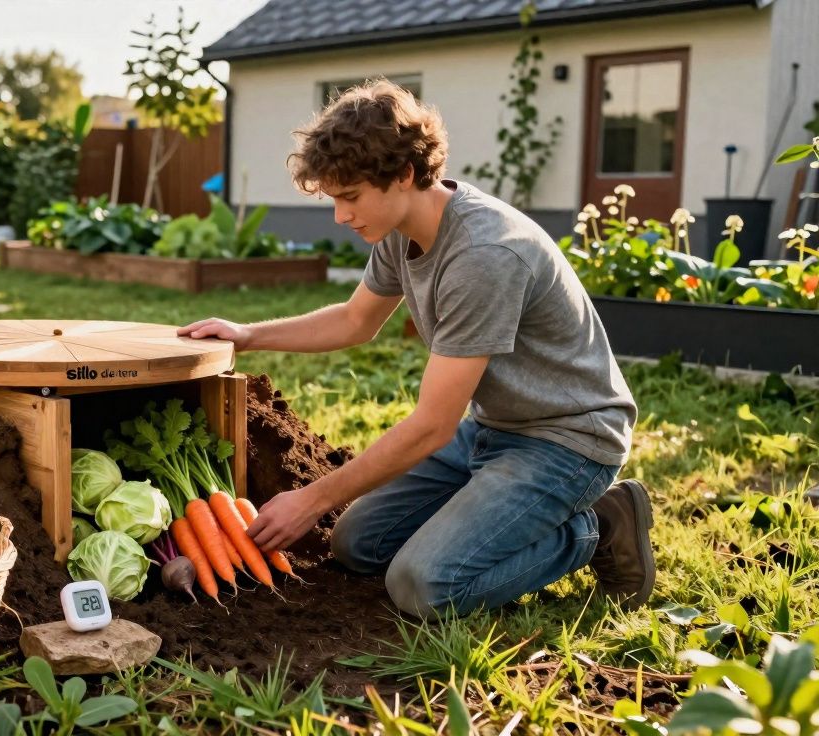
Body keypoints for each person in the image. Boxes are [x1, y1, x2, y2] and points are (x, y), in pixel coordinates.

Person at [178, 78, 654, 617]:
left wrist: (312, 499)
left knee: (425, 586)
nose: (340, 215)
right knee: (358, 545)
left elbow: (432, 426)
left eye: (350, 197)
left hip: (565, 441)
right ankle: (490, 513)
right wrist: (248, 334)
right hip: (494, 429)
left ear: (404, 174)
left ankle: (596, 524)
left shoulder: (483, 255)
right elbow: (356, 320)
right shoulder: (402, 231)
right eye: (335, 198)